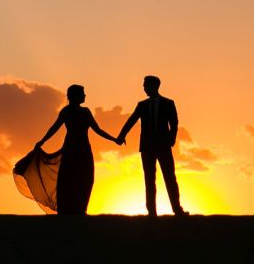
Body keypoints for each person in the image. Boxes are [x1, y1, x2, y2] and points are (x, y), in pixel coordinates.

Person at [13, 83, 119, 215]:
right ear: (75, 96)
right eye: (82, 93)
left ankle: (80, 209)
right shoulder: (68, 111)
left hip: (81, 149)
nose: (85, 95)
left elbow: (98, 130)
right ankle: (71, 209)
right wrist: (42, 141)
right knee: (71, 178)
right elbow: (55, 128)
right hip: (73, 149)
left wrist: (114, 139)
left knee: (84, 178)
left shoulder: (82, 112)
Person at [116, 75, 189, 217]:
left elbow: (174, 123)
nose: (144, 88)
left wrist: (171, 140)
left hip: (163, 146)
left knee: (170, 177)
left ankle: (177, 209)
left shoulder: (168, 103)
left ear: (154, 86)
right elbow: (131, 120)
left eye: (146, 85)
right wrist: (121, 135)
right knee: (149, 179)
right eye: (144, 85)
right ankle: (151, 211)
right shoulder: (142, 105)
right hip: (147, 147)